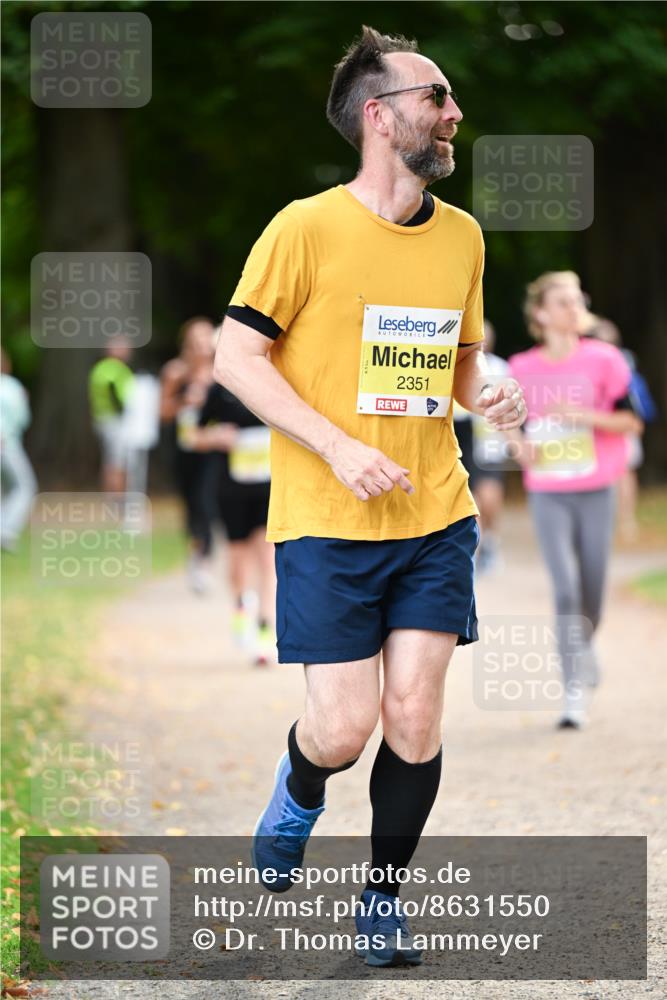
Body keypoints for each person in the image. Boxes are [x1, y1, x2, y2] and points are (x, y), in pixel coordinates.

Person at [213, 26, 526, 967]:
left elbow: (454, 366)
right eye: (437, 97)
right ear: (379, 116)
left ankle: (381, 901)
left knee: (415, 716)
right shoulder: (304, 227)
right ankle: (301, 784)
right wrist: (336, 446)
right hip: (326, 519)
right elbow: (238, 357)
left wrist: (492, 388)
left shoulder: (461, 237)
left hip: (434, 511)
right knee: (344, 728)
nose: (454, 112)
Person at [507, 272, 642, 730]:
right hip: (548, 490)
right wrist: (517, 444)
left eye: (576, 299)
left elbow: (633, 421)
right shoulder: (521, 367)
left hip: (597, 486)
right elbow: (507, 423)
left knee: (593, 587)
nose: (573, 307)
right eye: (562, 301)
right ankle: (572, 692)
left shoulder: (606, 360)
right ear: (541, 313)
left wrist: (582, 415)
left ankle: (585, 645)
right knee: (564, 586)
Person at [190, 374, 276, 666]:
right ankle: (242, 605)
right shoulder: (221, 389)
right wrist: (215, 437)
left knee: (268, 558)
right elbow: (194, 435)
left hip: (269, 486)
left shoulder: (276, 381)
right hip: (231, 488)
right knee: (238, 562)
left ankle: (265, 630)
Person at [160, 317, 218, 594]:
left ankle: (205, 560)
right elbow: (163, 412)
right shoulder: (175, 372)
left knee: (207, 504)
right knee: (192, 507)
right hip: (184, 450)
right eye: (196, 341)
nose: (201, 347)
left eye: (206, 340)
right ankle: (195, 554)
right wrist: (186, 401)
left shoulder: (220, 373)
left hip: (212, 450)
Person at [1, 349, 37, 551]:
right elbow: (23, 419)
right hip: (7, 444)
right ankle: (7, 531)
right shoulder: (12, 388)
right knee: (25, 487)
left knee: (5, 490)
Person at [88, 337, 135, 493]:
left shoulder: (100, 368)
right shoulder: (114, 369)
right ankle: (116, 497)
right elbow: (117, 394)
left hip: (103, 420)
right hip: (114, 421)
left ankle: (114, 496)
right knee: (117, 462)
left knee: (112, 460)